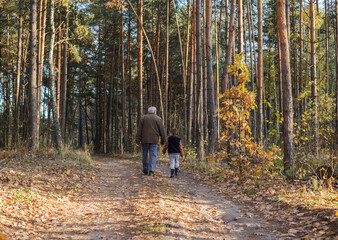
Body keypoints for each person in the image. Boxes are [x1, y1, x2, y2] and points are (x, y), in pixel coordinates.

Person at [136, 106, 166, 176]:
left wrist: (137, 141)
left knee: (145, 155)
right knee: (153, 155)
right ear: (155, 112)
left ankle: (145, 169)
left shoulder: (143, 118)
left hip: (144, 140)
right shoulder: (158, 119)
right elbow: (162, 131)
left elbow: (139, 130)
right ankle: (151, 170)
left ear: (148, 111)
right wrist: (163, 141)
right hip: (154, 140)